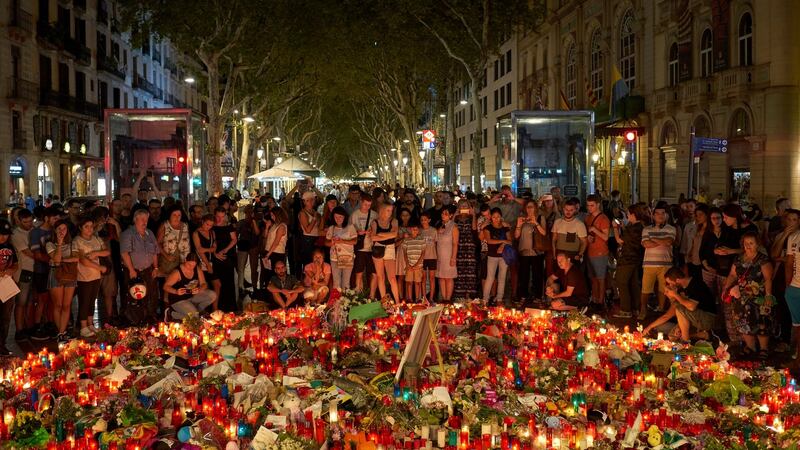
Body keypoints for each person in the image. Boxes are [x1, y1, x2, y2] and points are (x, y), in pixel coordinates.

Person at [721, 231, 775, 359]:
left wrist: (768, 295)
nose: (748, 246)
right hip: (741, 296)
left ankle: (763, 349)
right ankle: (750, 347)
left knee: (761, 321)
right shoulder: (739, 258)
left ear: (757, 244)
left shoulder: (762, 259)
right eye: (746, 243)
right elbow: (733, 274)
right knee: (743, 321)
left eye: (751, 243)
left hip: (758, 296)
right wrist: (726, 287)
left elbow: (768, 278)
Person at [643, 267, 717, 343]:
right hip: (694, 319)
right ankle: (702, 335)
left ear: (677, 280)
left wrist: (675, 295)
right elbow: (667, 315)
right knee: (673, 336)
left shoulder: (696, 284)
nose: (670, 286)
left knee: (679, 309)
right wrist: (649, 327)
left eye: (670, 283)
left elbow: (691, 307)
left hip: (707, 318)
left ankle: (685, 342)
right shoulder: (680, 288)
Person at [120, 209, 160, 322]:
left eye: (146, 219)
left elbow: (155, 252)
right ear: (135, 219)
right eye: (142, 219)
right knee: (134, 295)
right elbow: (124, 253)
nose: (145, 222)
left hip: (148, 269)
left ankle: (149, 317)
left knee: (151, 294)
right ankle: (135, 320)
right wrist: (132, 270)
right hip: (133, 270)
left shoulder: (149, 233)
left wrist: (156, 267)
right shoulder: (128, 234)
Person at [74, 216, 110, 338]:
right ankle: (83, 326)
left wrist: (96, 253)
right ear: (80, 228)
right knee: (84, 301)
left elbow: (106, 251)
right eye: (86, 227)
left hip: (95, 276)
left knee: (92, 301)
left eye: (91, 226)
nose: (89, 229)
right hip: (84, 276)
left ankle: (90, 324)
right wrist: (99, 267)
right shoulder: (77, 241)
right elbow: (83, 260)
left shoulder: (96, 239)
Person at [46, 220, 78, 343]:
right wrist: (59, 244)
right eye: (59, 228)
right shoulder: (50, 244)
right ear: (55, 230)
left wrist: (60, 261)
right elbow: (57, 259)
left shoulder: (72, 243)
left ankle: (62, 332)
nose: (61, 231)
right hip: (56, 275)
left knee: (66, 305)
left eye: (64, 229)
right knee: (58, 305)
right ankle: (60, 333)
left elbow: (76, 258)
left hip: (70, 275)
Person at [641, 203, 676, 314]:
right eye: (657, 213)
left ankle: (661, 308)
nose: (660, 215)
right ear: (653, 215)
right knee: (646, 288)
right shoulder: (646, 229)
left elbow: (669, 242)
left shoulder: (671, 229)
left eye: (663, 213)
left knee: (663, 288)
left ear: (666, 215)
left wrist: (653, 239)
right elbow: (646, 244)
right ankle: (643, 310)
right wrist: (662, 241)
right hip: (649, 264)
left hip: (665, 264)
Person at [163, 253, 217, 320]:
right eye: (189, 264)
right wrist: (176, 291)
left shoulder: (197, 269)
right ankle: (172, 314)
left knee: (212, 295)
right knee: (195, 317)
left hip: (192, 297)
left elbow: (204, 283)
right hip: (179, 299)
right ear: (185, 260)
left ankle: (197, 312)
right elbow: (165, 286)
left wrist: (199, 289)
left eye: (193, 265)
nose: (191, 267)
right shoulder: (177, 272)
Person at [515, 199, 546, 303]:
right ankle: (523, 295)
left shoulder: (541, 218)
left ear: (536, 208)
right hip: (524, 251)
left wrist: (536, 223)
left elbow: (544, 233)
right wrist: (518, 225)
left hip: (537, 252)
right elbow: (516, 236)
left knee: (537, 275)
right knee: (524, 275)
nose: (529, 209)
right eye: (528, 207)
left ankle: (538, 296)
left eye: (531, 207)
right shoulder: (522, 219)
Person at [369, 203, 400, 302]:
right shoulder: (375, 222)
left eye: (391, 210)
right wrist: (388, 235)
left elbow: (394, 234)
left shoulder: (394, 221)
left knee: (392, 278)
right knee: (380, 277)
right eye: (388, 210)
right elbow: (373, 237)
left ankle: (398, 301)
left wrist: (381, 234)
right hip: (378, 248)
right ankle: (384, 302)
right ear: (382, 210)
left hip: (389, 248)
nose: (390, 213)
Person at [584, 194, 611, 308]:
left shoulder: (603, 219)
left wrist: (595, 229)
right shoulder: (588, 217)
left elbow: (605, 237)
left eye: (592, 205)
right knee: (593, 278)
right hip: (590, 251)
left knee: (600, 278)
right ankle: (595, 299)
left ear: (598, 205)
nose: (589, 208)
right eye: (588, 205)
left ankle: (600, 300)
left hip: (600, 252)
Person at [481, 207, 511, 306]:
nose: (496, 219)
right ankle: (485, 299)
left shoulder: (505, 227)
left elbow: (510, 241)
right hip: (492, 255)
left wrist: (503, 245)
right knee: (490, 277)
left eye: (498, 217)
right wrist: (503, 241)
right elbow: (489, 241)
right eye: (494, 217)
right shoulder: (488, 228)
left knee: (502, 278)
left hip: (504, 256)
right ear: (491, 218)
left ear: (501, 217)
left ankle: (499, 298)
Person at [211, 207, 237, 311]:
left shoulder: (228, 227)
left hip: (227, 257)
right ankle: (217, 307)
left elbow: (234, 240)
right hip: (215, 257)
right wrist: (215, 253)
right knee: (217, 284)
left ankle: (229, 307)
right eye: (217, 216)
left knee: (228, 283)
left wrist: (225, 250)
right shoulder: (211, 227)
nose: (219, 219)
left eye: (222, 217)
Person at [193, 214, 221, 309]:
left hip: (212, 260)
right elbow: (199, 250)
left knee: (217, 284)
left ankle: (215, 309)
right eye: (207, 224)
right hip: (202, 262)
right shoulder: (196, 233)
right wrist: (208, 264)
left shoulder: (212, 232)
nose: (208, 227)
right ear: (202, 222)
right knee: (204, 286)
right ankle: (202, 309)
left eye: (211, 225)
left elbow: (214, 245)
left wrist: (211, 249)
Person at [351, 193, 376, 295]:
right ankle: (358, 293)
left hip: (372, 247)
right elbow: (350, 230)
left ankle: (371, 294)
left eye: (369, 205)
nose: (367, 207)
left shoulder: (374, 214)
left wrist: (373, 231)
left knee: (372, 272)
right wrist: (357, 232)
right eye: (365, 204)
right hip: (360, 247)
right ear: (361, 202)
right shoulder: (355, 215)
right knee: (359, 271)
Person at [326, 206, 357, 290]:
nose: (338, 219)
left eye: (340, 217)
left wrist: (342, 241)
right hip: (335, 257)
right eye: (336, 217)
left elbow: (354, 241)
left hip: (347, 256)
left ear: (344, 217)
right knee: (336, 282)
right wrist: (331, 242)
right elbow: (326, 242)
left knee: (346, 282)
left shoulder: (350, 227)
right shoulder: (331, 228)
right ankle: (337, 301)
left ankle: (345, 301)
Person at [0, 220, 18, 355]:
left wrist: (10, 270)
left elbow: (15, 264)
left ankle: (2, 344)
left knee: (6, 316)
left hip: (6, 284)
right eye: (1, 234)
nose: (3, 237)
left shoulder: (10, 247)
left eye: (6, 234)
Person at [453, 200, 478, 300]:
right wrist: (455, 214)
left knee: (470, 270)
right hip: (458, 245)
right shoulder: (456, 218)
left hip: (469, 245)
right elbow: (451, 227)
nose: (463, 207)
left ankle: (469, 294)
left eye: (465, 205)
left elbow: (474, 228)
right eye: (461, 205)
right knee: (459, 269)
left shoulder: (471, 217)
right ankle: (460, 295)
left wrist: (474, 215)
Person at [436, 205, 459, 302]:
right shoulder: (440, 225)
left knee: (449, 277)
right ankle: (443, 298)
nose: (443, 215)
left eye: (446, 214)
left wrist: (453, 258)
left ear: (451, 215)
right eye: (442, 213)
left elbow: (455, 243)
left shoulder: (453, 226)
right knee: (441, 277)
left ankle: (448, 299)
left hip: (449, 254)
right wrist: (438, 231)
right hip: (440, 254)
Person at [236, 205, 261, 292]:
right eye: (248, 212)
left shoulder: (256, 222)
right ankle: (241, 286)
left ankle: (254, 286)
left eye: (251, 212)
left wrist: (253, 221)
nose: (250, 214)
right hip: (243, 246)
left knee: (254, 267)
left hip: (253, 246)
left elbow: (257, 233)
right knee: (241, 268)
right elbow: (236, 234)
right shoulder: (241, 222)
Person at [262, 207, 288, 289]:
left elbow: (276, 242)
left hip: (276, 253)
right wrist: (267, 227)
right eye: (271, 215)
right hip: (269, 251)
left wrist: (268, 255)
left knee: (274, 276)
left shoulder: (282, 226)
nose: (272, 217)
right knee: (267, 275)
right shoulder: (274, 225)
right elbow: (265, 236)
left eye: (273, 215)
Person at [403, 222, 426, 302]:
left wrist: (417, 264)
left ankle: (417, 298)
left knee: (417, 282)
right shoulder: (406, 240)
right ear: (410, 230)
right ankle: (409, 298)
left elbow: (423, 253)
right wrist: (407, 264)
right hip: (409, 265)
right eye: (413, 229)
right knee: (409, 282)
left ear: (418, 230)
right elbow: (405, 253)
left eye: (416, 229)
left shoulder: (421, 239)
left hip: (418, 266)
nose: (414, 231)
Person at [419, 211, 438, 302]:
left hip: (432, 257)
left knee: (431, 278)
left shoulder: (433, 230)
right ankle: (424, 297)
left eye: (425, 220)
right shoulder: (419, 231)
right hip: (422, 258)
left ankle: (431, 297)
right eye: (422, 220)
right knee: (423, 278)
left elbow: (436, 243)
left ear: (429, 220)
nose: (423, 221)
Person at [395, 208, 413, 300]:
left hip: (411, 253)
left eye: (407, 215)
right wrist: (402, 238)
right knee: (401, 276)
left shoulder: (413, 228)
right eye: (403, 215)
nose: (405, 217)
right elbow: (395, 244)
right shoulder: (397, 228)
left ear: (410, 216)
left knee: (409, 276)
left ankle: (408, 296)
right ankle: (400, 297)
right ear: (400, 216)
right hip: (401, 253)